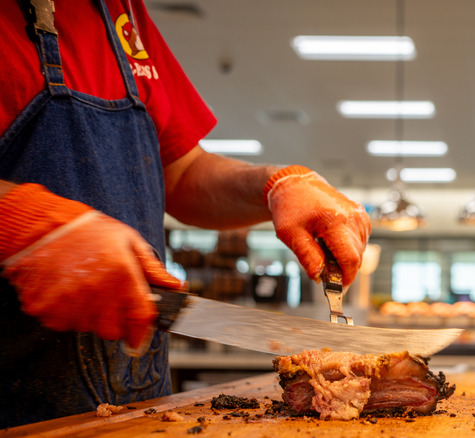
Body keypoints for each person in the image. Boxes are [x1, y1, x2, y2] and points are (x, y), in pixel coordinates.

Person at [0, 0, 370, 428]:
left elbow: (181, 173)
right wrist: (19, 223)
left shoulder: (119, 9)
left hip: (133, 399)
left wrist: (277, 185)